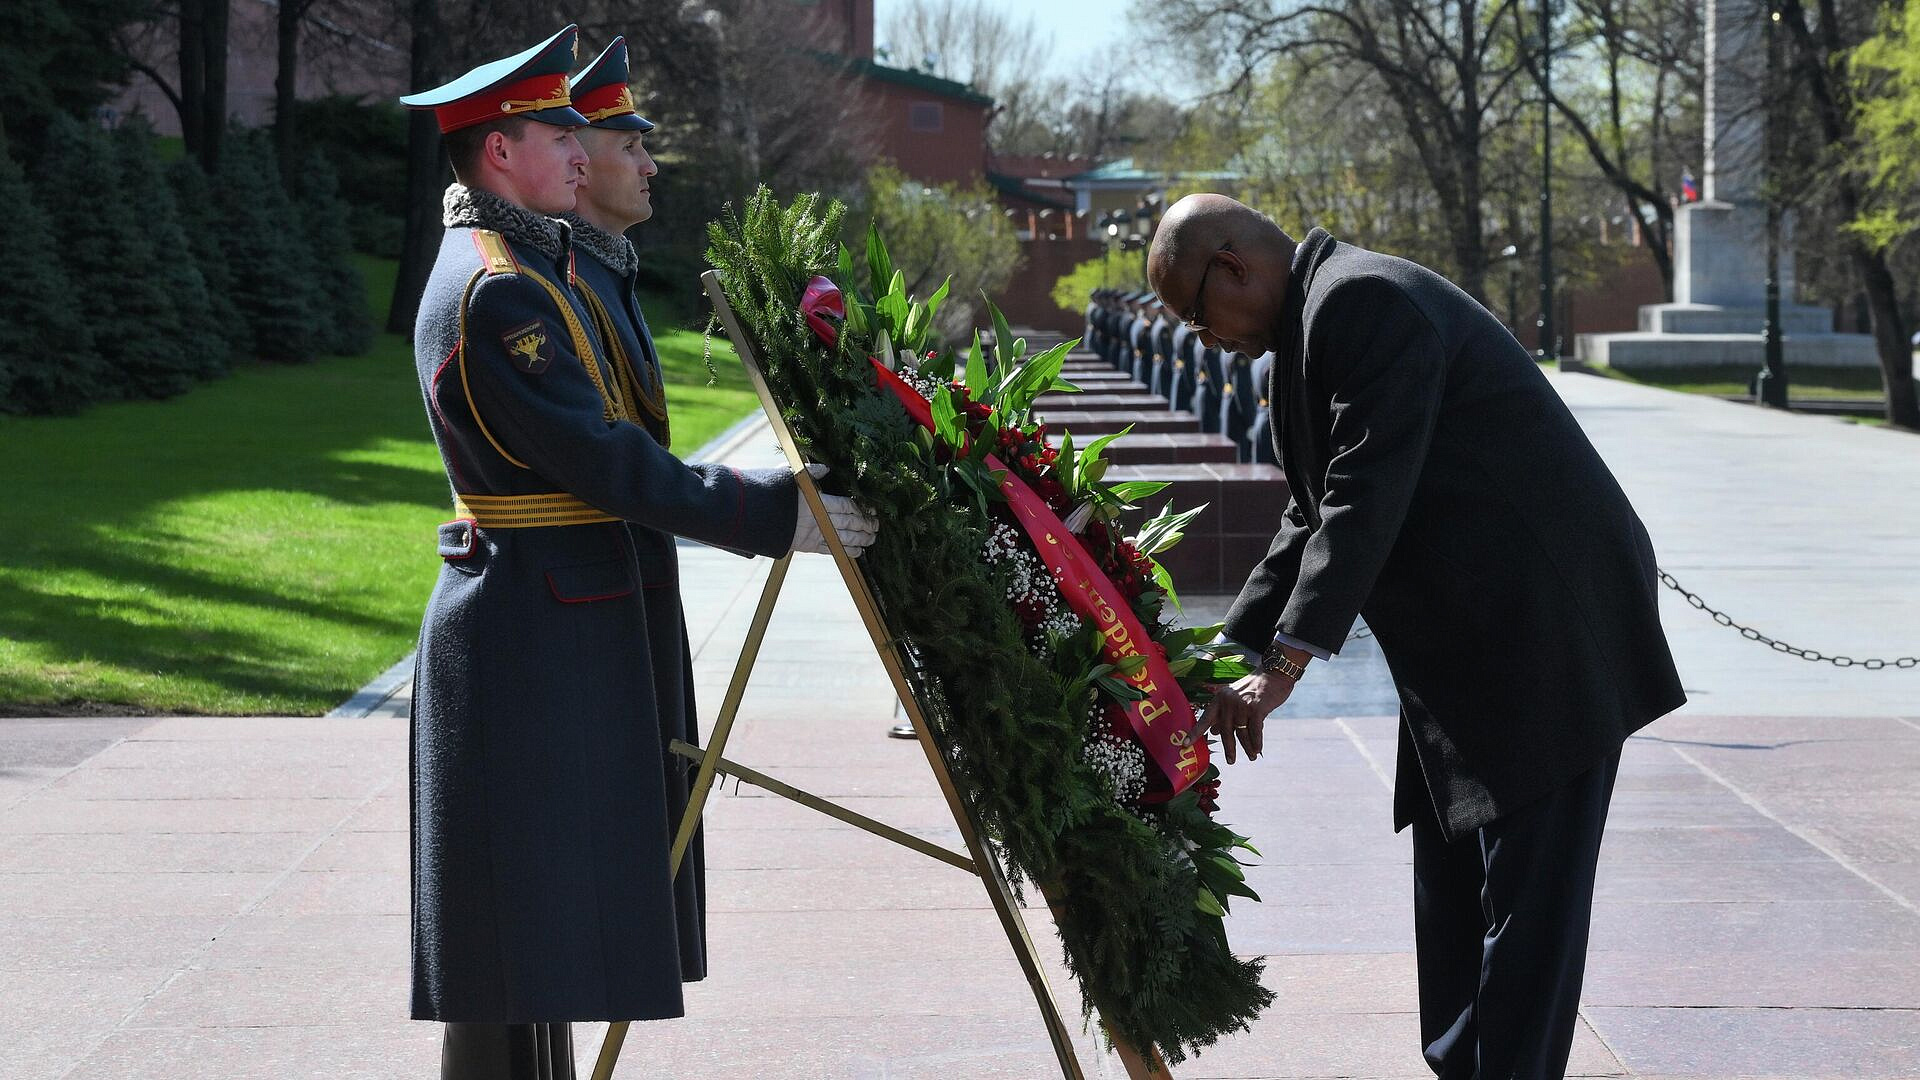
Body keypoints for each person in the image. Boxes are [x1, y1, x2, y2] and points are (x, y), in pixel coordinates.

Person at [398, 26, 876, 1080]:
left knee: (538, 936)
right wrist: (776, 516)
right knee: (510, 946)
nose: (584, 150)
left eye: (582, 132)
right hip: (532, 627)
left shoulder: (533, 261)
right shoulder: (498, 288)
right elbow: (606, 463)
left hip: (559, 615)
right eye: (556, 133)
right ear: (497, 154)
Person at [1148, 194, 1683, 1080]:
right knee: (1452, 904)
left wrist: (1282, 668)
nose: (1203, 339)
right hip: (1475, 643)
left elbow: (1362, 499)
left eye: (1196, 315)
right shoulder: (1316, 324)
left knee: (1527, 914)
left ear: (1235, 265)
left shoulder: (1361, 302)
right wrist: (1224, 653)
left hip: (1545, 633)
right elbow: (1310, 512)